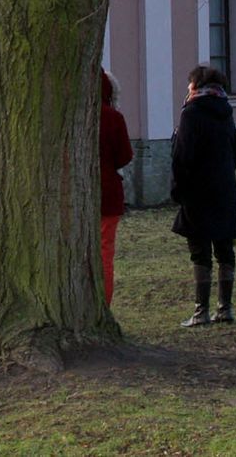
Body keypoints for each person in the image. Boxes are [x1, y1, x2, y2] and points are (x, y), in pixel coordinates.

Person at [170, 64, 236, 327]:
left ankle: (201, 311)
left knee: (199, 251)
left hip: (197, 191)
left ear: (196, 86)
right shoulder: (226, 112)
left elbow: (182, 157)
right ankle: (226, 308)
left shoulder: (191, 113)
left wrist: (177, 189)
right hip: (224, 190)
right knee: (225, 250)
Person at [99, 70, 135, 307]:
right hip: (107, 195)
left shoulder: (66, 116)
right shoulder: (113, 117)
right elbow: (124, 156)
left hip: (68, 198)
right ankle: (103, 305)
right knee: (104, 254)